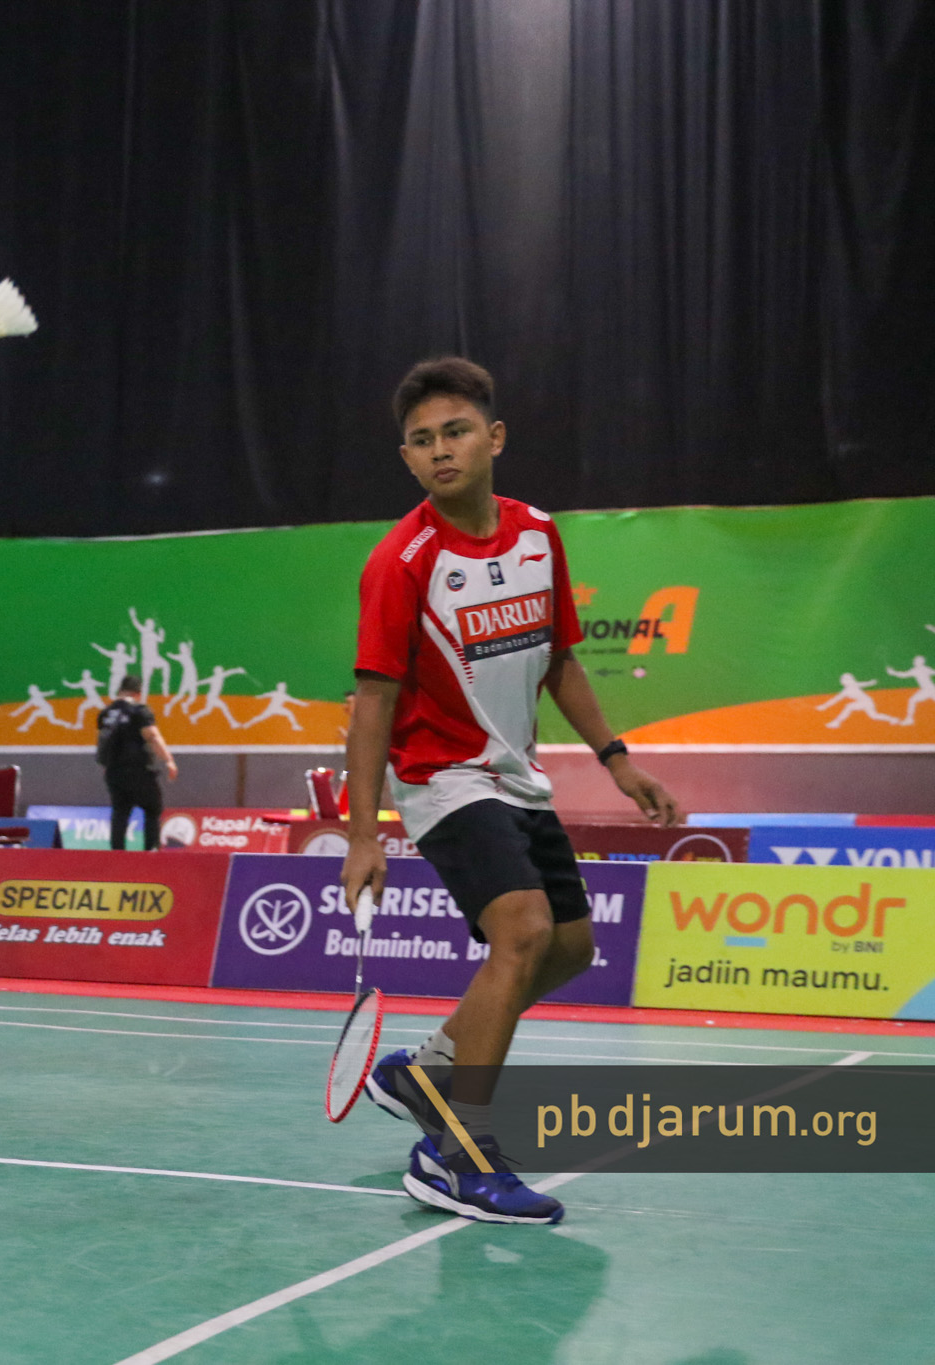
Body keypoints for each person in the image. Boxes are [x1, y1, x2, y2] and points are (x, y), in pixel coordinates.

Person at [345, 358, 680, 1224]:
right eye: (421, 440)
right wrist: (363, 832)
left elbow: (560, 658)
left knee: (569, 947)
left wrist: (616, 758)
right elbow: (372, 700)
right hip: (441, 777)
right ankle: (455, 1153)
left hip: (517, 777)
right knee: (523, 932)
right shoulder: (401, 561)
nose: (440, 450)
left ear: (493, 438)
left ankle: (427, 1072)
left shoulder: (537, 534)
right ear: (407, 458)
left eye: (455, 432)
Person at [95, 675, 177, 850]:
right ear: (138, 693)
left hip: (113, 772)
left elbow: (103, 742)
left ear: (120, 691)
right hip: (138, 770)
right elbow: (152, 736)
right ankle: (151, 852)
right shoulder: (139, 711)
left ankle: (117, 854)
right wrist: (168, 760)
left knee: (120, 812)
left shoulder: (106, 713)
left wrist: (106, 765)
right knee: (152, 808)